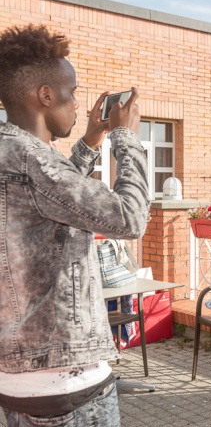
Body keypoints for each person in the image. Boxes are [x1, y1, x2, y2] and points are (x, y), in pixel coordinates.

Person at [0, 24, 148, 426]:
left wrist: (90, 141)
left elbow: (54, 200)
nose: (77, 102)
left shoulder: (11, 153)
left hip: (18, 382)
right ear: (45, 95)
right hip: (67, 384)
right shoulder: (33, 160)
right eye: (72, 91)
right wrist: (125, 137)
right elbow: (129, 217)